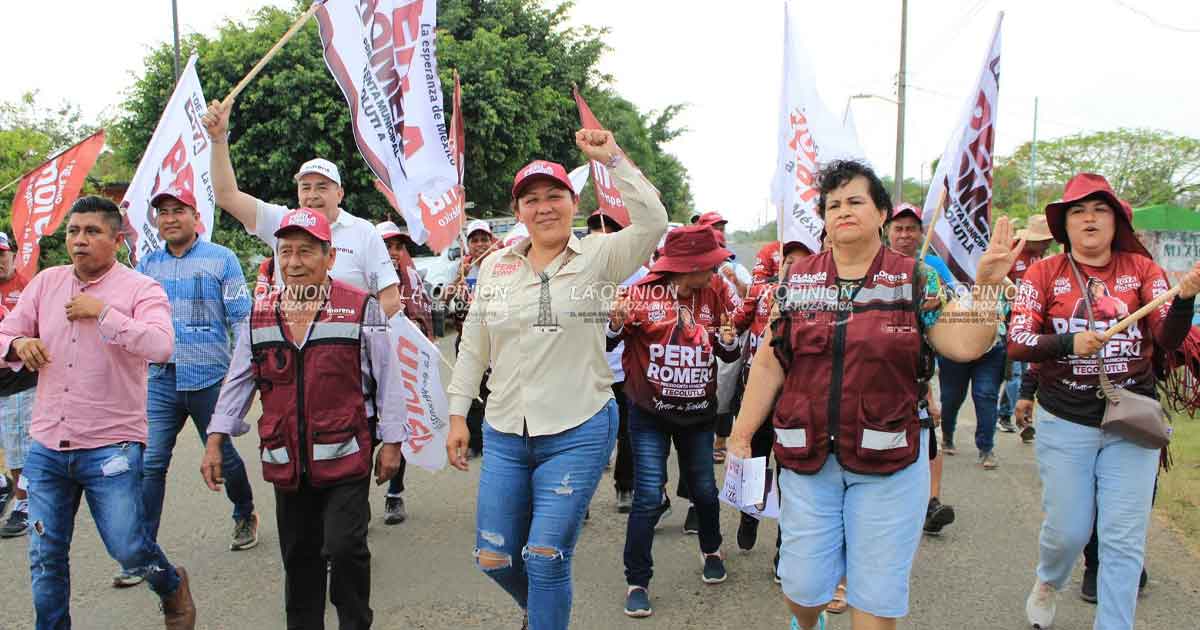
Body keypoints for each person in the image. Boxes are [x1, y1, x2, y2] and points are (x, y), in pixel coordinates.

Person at [729, 160, 1020, 630]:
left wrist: (986, 287)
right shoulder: (798, 281)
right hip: (809, 461)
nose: (843, 211)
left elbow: (964, 344)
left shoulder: (915, 280)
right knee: (802, 588)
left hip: (890, 463)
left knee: (876, 599)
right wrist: (742, 433)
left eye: (855, 201)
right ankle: (809, 621)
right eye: (833, 204)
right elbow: (769, 361)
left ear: (881, 212)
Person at [445, 129, 667, 630]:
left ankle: (546, 616)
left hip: (579, 427)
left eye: (554, 196)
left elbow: (653, 219)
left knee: (546, 557)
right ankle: (541, 612)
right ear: (519, 211)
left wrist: (612, 156)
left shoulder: (601, 255)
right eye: (531, 199)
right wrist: (458, 413)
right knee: (493, 557)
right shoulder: (496, 268)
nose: (544, 207)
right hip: (504, 431)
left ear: (573, 201)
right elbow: (474, 346)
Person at [1007, 173, 1199, 630]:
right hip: (1065, 420)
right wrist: (1068, 343)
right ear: (1064, 225)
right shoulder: (1043, 272)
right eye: (1078, 210)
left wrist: (1187, 300)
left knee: (1123, 538)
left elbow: (1168, 338)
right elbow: (1017, 342)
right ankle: (1049, 580)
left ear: (1116, 221)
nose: (1089, 218)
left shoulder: (1144, 270)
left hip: (1132, 421)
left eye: (1100, 209)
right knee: (1068, 532)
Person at [202, 207, 405, 630]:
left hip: (346, 452)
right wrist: (216, 438)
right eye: (285, 252)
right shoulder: (259, 314)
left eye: (306, 252)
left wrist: (393, 442)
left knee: (346, 547)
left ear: (330, 258)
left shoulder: (360, 308)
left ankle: (354, 621)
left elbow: (388, 378)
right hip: (286, 459)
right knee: (299, 556)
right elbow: (240, 380)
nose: (293, 262)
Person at [0, 196, 196, 629]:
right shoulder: (46, 283)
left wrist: (104, 314)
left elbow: (162, 345)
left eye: (91, 232)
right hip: (47, 447)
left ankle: (169, 584)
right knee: (44, 554)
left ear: (115, 238)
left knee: (128, 548)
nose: (80, 240)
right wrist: (16, 345)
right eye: (73, 231)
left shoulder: (140, 289)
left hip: (112, 447)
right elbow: (6, 330)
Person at [106, 188, 257, 588]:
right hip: (160, 378)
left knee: (223, 453)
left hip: (210, 377)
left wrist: (244, 370)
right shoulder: (146, 267)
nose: (170, 218)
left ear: (196, 216)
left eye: (178, 211)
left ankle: (244, 511)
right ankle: (141, 552)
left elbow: (242, 318)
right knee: (151, 462)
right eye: (163, 212)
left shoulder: (222, 259)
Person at [608, 224, 741, 618]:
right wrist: (615, 321)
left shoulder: (715, 291)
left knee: (703, 489)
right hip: (648, 414)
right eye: (709, 264)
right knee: (648, 496)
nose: (714, 271)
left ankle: (712, 549)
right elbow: (611, 341)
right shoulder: (639, 293)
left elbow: (728, 353)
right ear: (688, 266)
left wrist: (730, 340)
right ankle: (637, 580)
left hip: (699, 415)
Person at [201, 99, 402, 316]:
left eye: (322, 187)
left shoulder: (364, 232)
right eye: (305, 187)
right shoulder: (281, 221)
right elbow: (226, 196)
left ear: (340, 194)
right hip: (290, 344)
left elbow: (390, 300)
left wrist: (352, 338)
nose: (312, 195)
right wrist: (218, 139)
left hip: (347, 346)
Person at [731, 240, 810, 576]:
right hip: (758, 393)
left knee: (790, 477)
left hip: (798, 399)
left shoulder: (822, 300)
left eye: (801, 262)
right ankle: (750, 514)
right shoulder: (763, 293)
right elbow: (736, 322)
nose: (793, 267)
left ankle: (784, 553)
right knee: (755, 463)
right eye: (788, 261)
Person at [881, 204, 955, 533]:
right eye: (899, 228)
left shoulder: (932, 268)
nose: (905, 234)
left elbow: (951, 304)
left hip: (920, 370)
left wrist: (941, 299)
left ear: (921, 233)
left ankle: (930, 502)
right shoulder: (874, 266)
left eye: (912, 228)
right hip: (879, 371)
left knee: (929, 436)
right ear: (887, 231)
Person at [374, 220, 435, 526]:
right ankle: (352, 501)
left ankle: (395, 494)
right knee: (361, 432)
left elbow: (424, 322)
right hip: (364, 368)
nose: (393, 252)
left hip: (401, 369)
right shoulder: (360, 276)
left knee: (399, 429)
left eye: (398, 246)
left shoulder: (410, 279)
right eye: (386, 246)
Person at [588, 209, 646, 513]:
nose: (602, 236)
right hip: (584, 370)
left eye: (609, 230)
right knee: (583, 436)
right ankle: (577, 498)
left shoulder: (640, 275)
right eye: (596, 231)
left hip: (624, 371)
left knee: (627, 433)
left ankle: (625, 487)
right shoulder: (577, 269)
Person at [445, 219, 499, 457]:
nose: (479, 244)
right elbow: (443, 301)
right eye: (474, 240)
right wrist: (459, 279)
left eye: (484, 239)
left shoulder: (503, 264)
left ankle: (497, 439)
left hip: (496, 338)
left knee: (494, 390)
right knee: (471, 389)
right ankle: (475, 442)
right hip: (466, 339)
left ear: (491, 240)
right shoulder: (461, 268)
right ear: (467, 244)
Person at [996, 215, 1054, 437]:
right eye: (1045, 239)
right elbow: (996, 280)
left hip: (1036, 324)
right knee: (1016, 373)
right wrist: (1012, 293)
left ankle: (1006, 413)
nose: (1049, 243)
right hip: (1012, 322)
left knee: (1028, 372)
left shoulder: (1042, 258)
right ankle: (1013, 418)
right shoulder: (1012, 253)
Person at [0, 232, 36, 538]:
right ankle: (4, 487)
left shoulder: (28, 287)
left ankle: (24, 505)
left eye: (1, 254)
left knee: (17, 448)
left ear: (12, 254)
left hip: (19, 381)